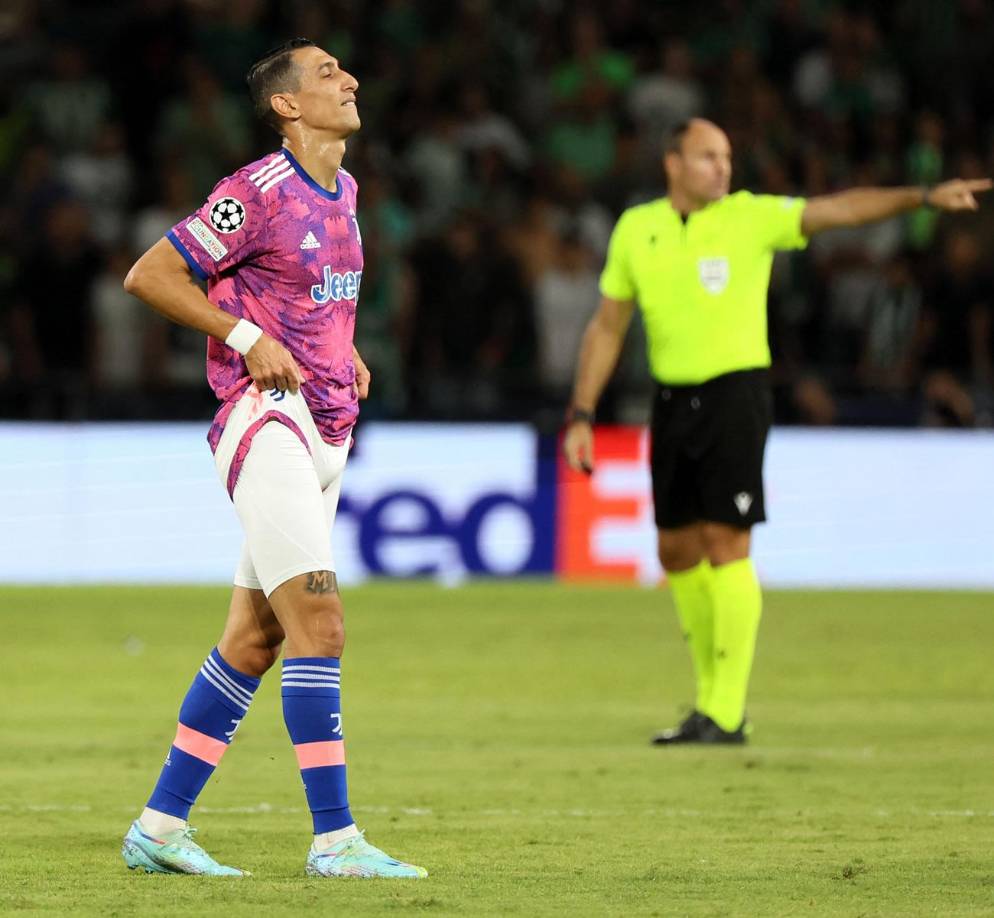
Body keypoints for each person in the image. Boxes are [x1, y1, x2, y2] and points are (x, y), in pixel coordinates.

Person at [563, 117, 990, 746]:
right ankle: (710, 704)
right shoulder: (638, 227)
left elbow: (839, 210)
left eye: (728, 156)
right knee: (675, 550)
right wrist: (581, 412)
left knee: (726, 542)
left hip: (737, 394)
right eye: (709, 156)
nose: (723, 167)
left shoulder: (751, 217)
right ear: (673, 164)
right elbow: (607, 326)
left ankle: (725, 712)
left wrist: (921, 196)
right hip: (672, 400)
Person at [119, 38, 426, 878]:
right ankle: (335, 840)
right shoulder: (252, 193)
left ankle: (159, 828)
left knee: (253, 643)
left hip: (328, 422)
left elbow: (317, 295)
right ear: (286, 106)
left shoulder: (348, 190)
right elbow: (149, 275)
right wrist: (245, 335)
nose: (350, 79)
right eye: (327, 73)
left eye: (345, 69)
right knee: (319, 624)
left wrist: (344, 351)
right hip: (266, 423)